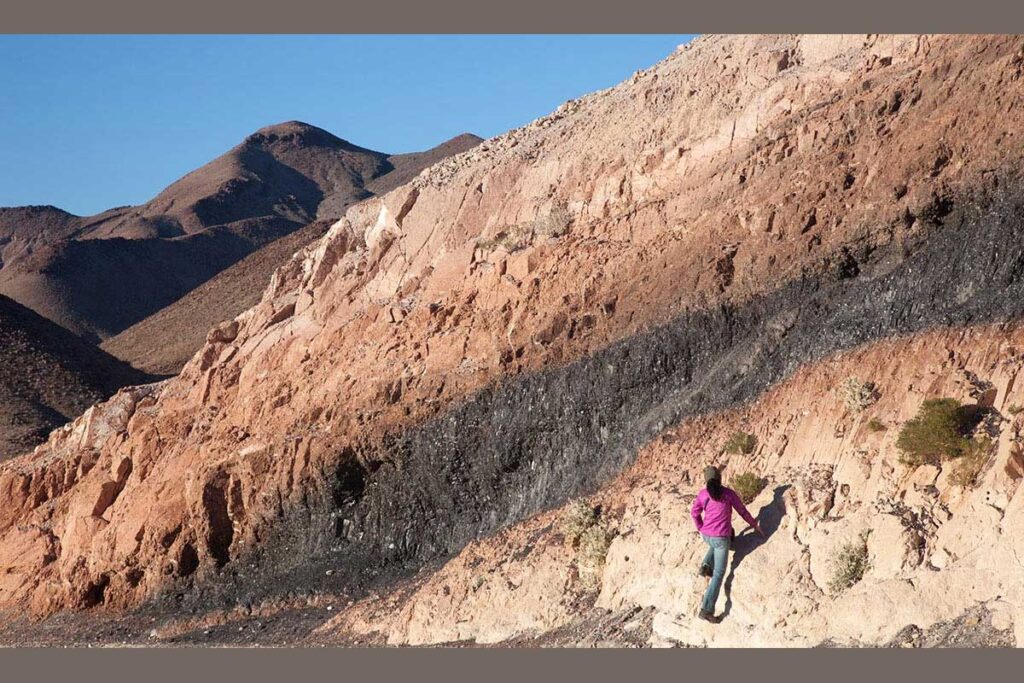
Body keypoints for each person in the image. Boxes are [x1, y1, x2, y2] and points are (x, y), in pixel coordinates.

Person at [689, 465, 763, 623]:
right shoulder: (729, 494)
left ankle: (707, 564)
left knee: (727, 534)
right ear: (720, 478)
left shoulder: (703, 495)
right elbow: (742, 511)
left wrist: (700, 527)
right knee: (719, 574)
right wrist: (755, 525)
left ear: (706, 480)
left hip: (706, 535)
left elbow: (694, 513)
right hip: (720, 540)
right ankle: (707, 609)